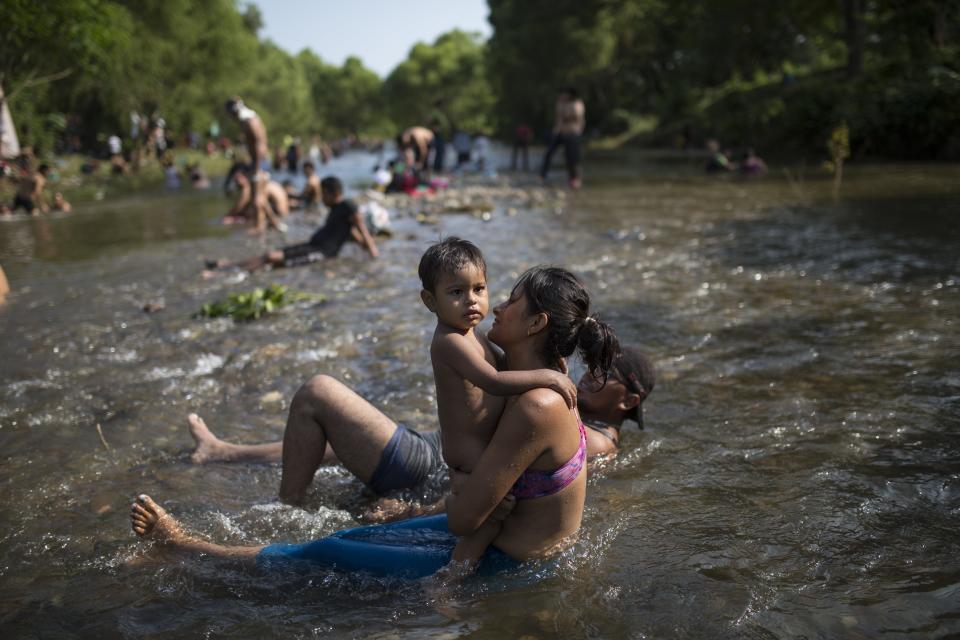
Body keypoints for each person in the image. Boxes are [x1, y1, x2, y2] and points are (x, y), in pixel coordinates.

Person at [131, 265, 618, 578]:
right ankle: (191, 545)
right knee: (346, 539)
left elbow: (466, 518)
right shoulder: (539, 377)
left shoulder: (540, 402)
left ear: (536, 325)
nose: (498, 306)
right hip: (493, 543)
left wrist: (466, 500)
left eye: (512, 300)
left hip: (507, 566)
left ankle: (184, 549)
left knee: (324, 554)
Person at [415, 239, 577, 569]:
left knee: (496, 513)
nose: (471, 300)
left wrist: (549, 364)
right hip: (470, 454)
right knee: (487, 522)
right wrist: (548, 378)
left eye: (479, 288)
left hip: (481, 451)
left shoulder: (474, 335)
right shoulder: (449, 342)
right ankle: (450, 580)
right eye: (456, 292)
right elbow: (492, 380)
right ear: (429, 301)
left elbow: (507, 369)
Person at [206, 176, 378, 273]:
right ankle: (227, 266)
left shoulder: (348, 206)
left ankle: (227, 270)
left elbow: (361, 229)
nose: (322, 198)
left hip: (322, 252)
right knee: (269, 255)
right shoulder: (334, 209)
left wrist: (373, 255)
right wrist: (362, 246)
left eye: (324, 194)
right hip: (313, 245)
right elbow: (353, 233)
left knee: (272, 259)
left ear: (336, 193)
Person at [224, 97, 272, 232]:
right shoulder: (247, 118)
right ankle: (274, 223)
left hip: (260, 161)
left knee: (257, 196)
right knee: (260, 195)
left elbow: (257, 144)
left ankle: (259, 227)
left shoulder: (249, 121)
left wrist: (256, 167)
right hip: (258, 160)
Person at [540, 87, 585, 189]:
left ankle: (575, 179)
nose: (562, 96)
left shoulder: (577, 103)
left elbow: (577, 116)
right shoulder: (560, 103)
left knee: (572, 158)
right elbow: (559, 118)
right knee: (549, 153)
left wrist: (566, 111)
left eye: (564, 94)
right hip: (559, 132)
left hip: (573, 133)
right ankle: (542, 176)